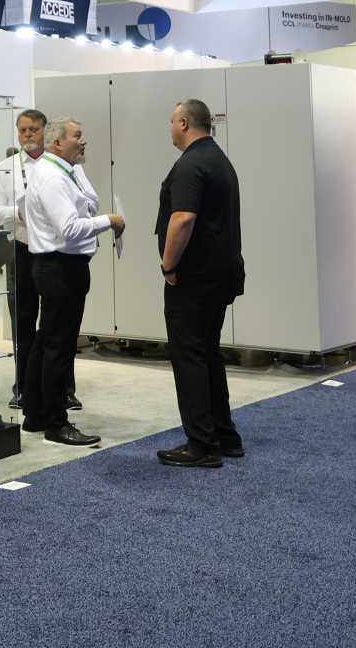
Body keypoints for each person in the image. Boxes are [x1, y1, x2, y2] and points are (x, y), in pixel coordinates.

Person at [20, 117, 123, 447]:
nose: (83, 140)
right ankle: (56, 423)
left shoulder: (66, 170)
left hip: (62, 267)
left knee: (46, 342)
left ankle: (36, 414)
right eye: (77, 136)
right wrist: (109, 221)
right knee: (58, 347)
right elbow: (69, 228)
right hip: (59, 268)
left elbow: (87, 201)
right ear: (57, 143)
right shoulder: (52, 177)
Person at [155, 100, 245, 469]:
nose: (169, 128)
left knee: (189, 356)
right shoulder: (218, 159)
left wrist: (168, 264)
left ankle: (201, 444)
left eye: (171, 121)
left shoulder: (191, 164)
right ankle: (224, 436)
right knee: (208, 354)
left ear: (184, 122)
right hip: (219, 275)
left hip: (194, 279)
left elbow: (182, 219)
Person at [0, 109, 56, 411]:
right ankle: (24, 388)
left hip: (55, 252)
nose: (28, 134)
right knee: (23, 322)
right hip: (22, 251)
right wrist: (18, 212)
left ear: (45, 131)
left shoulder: (57, 164)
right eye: (23, 129)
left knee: (56, 323)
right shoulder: (6, 169)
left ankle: (61, 388)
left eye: (34, 129)